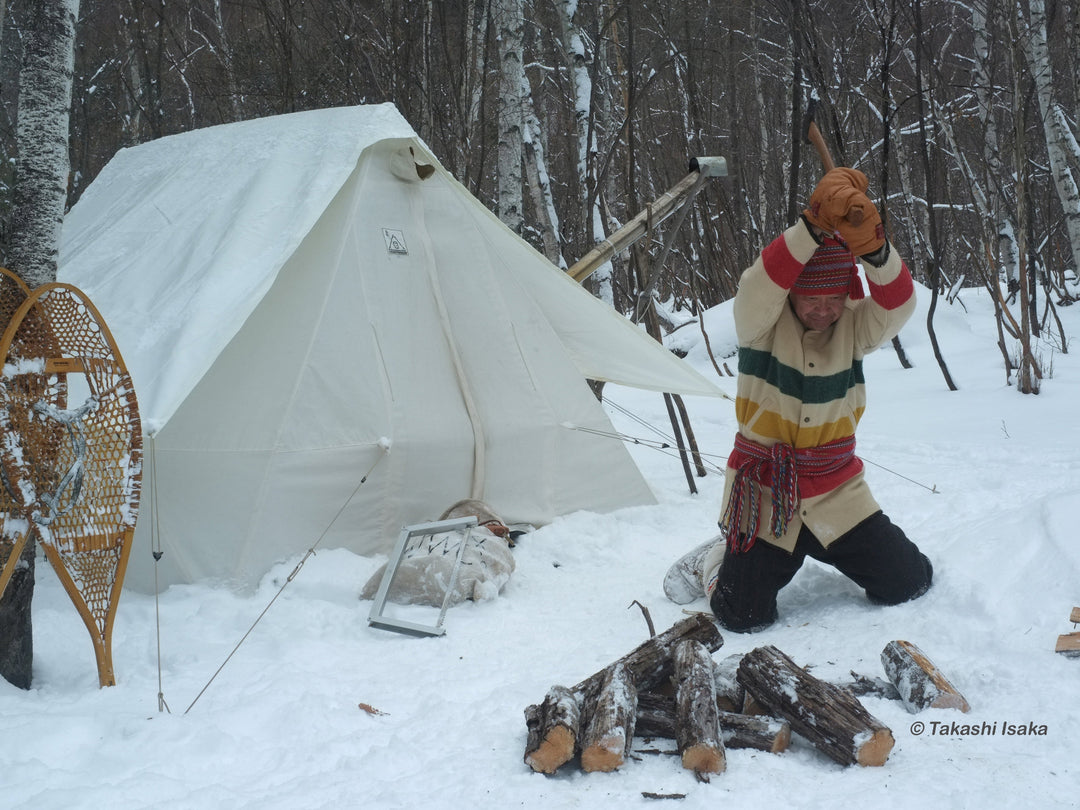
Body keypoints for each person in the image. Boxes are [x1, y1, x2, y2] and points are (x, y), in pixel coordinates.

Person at [663, 167, 932, 632]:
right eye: (812, 298)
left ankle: (807, 548)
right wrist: (812, 226)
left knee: (909, 581)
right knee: (742, 616)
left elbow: (899, 300)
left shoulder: (853, 324)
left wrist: (873, 249)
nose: (824, 310)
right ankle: (716, 560)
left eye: (834, 298)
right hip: (765, 493)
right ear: (793, 294)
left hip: (837, 491)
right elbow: (759, 282)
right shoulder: (759, 323)